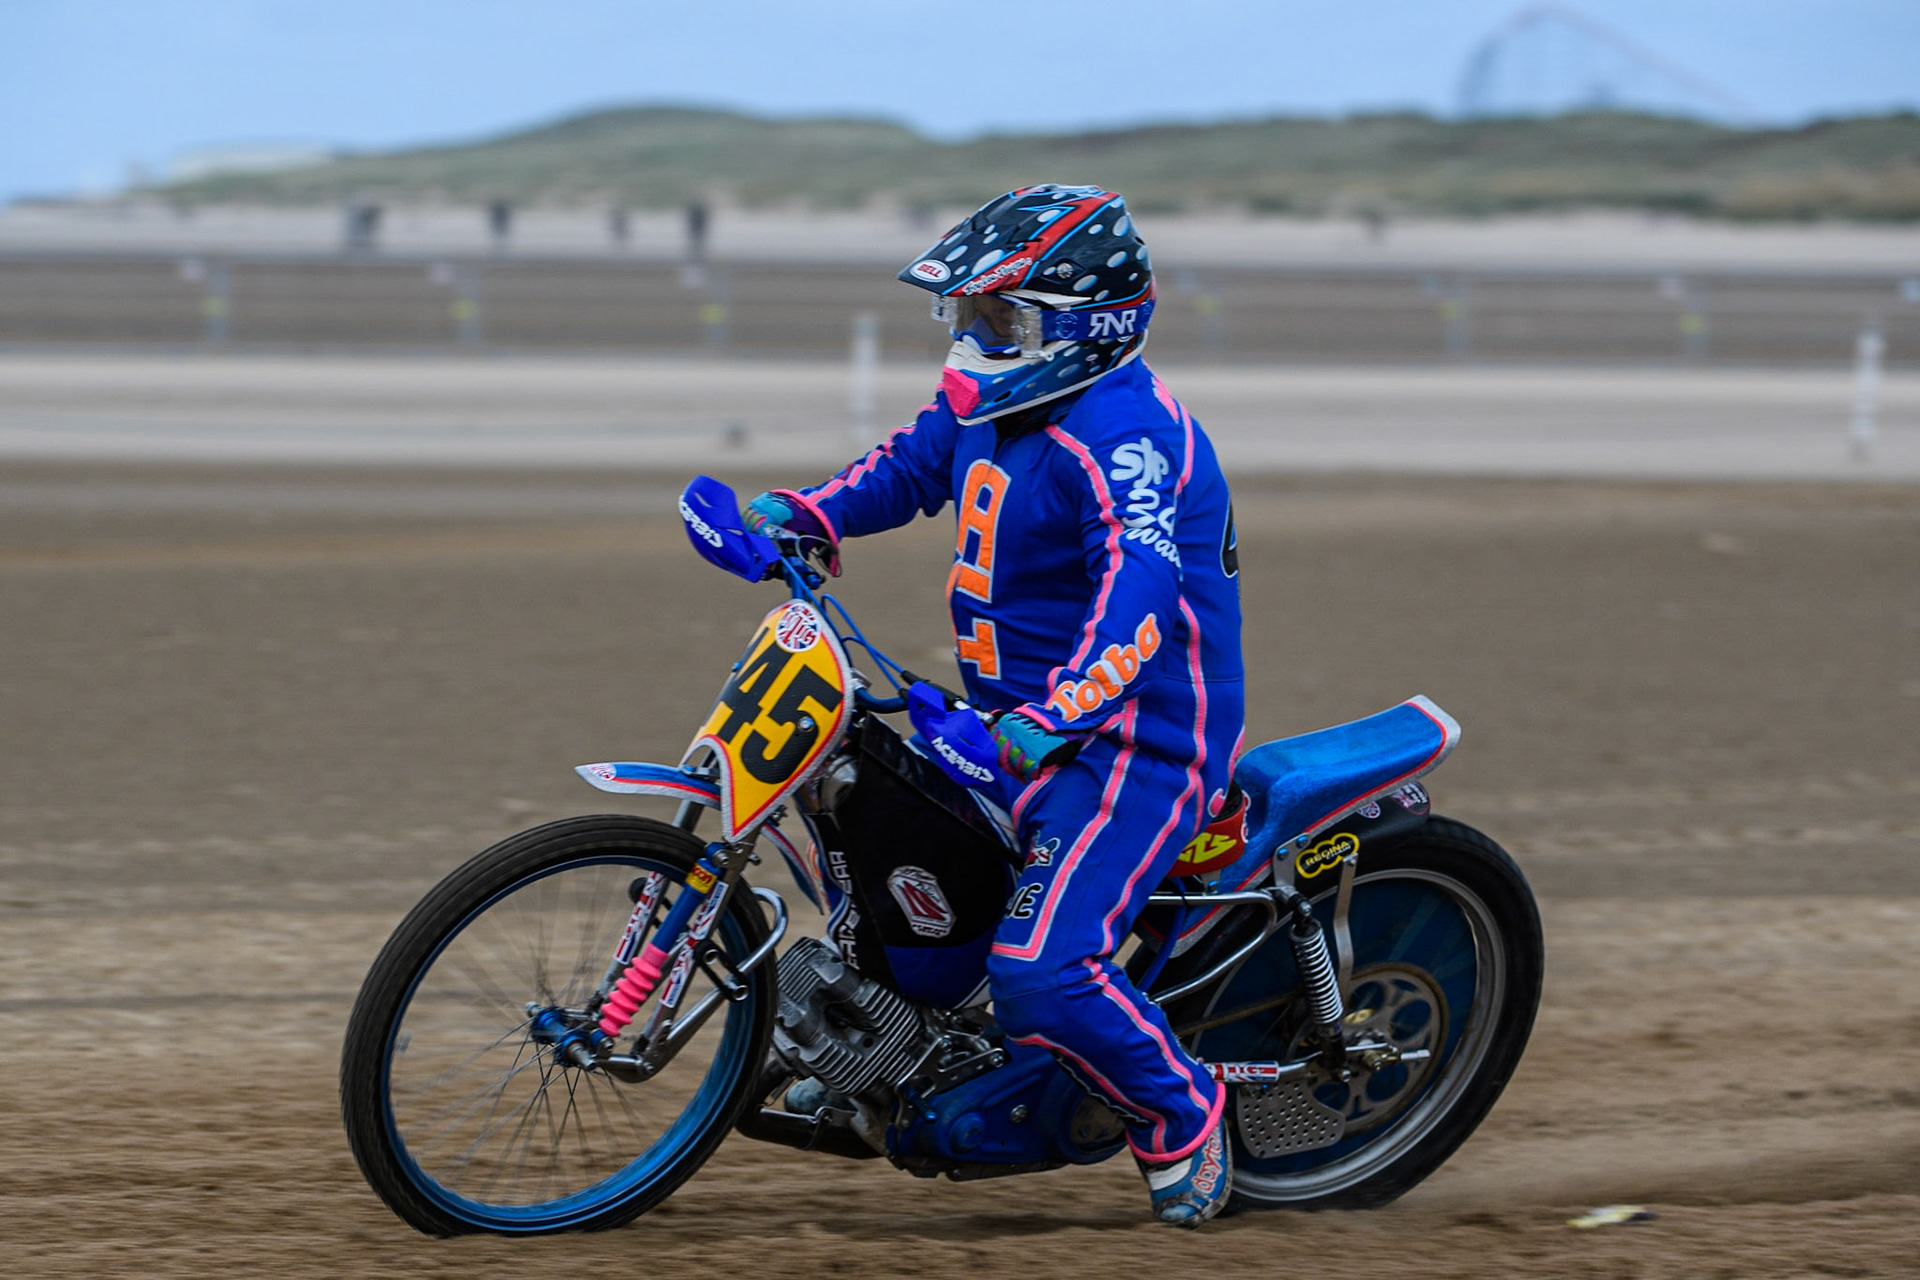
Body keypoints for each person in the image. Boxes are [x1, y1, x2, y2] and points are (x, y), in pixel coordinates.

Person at [745, 184, 1244, 1226]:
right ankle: (880, 1057)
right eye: (971, 316)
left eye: (1002, 320)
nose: (978, 340)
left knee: (1039, 971)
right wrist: (808, 515)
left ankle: (1180, 1109)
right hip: (1016, 724)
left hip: (1132, 746)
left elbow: (1138, 592)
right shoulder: (996, 403)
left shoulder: (1128, 437)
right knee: (868, 822)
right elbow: (914, 463)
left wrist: (1056, 714)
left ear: (1084, 324)